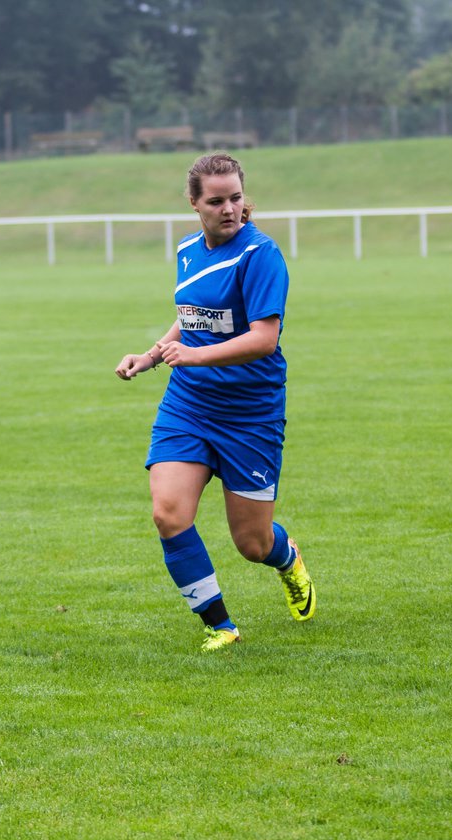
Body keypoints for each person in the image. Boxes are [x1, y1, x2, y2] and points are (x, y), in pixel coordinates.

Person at [114, 152, 315, 652]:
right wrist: (154, 355)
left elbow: (264, 339)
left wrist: (195, 358)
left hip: (251, 412)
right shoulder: (186, 250)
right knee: (168, 513)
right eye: (216, 201)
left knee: (253, 544)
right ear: (194, 204)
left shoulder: (260, 255)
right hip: (189, 404)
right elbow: (193, 317)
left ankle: (287, 558)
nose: (229, 209)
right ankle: (220, 626)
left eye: (236, 198)